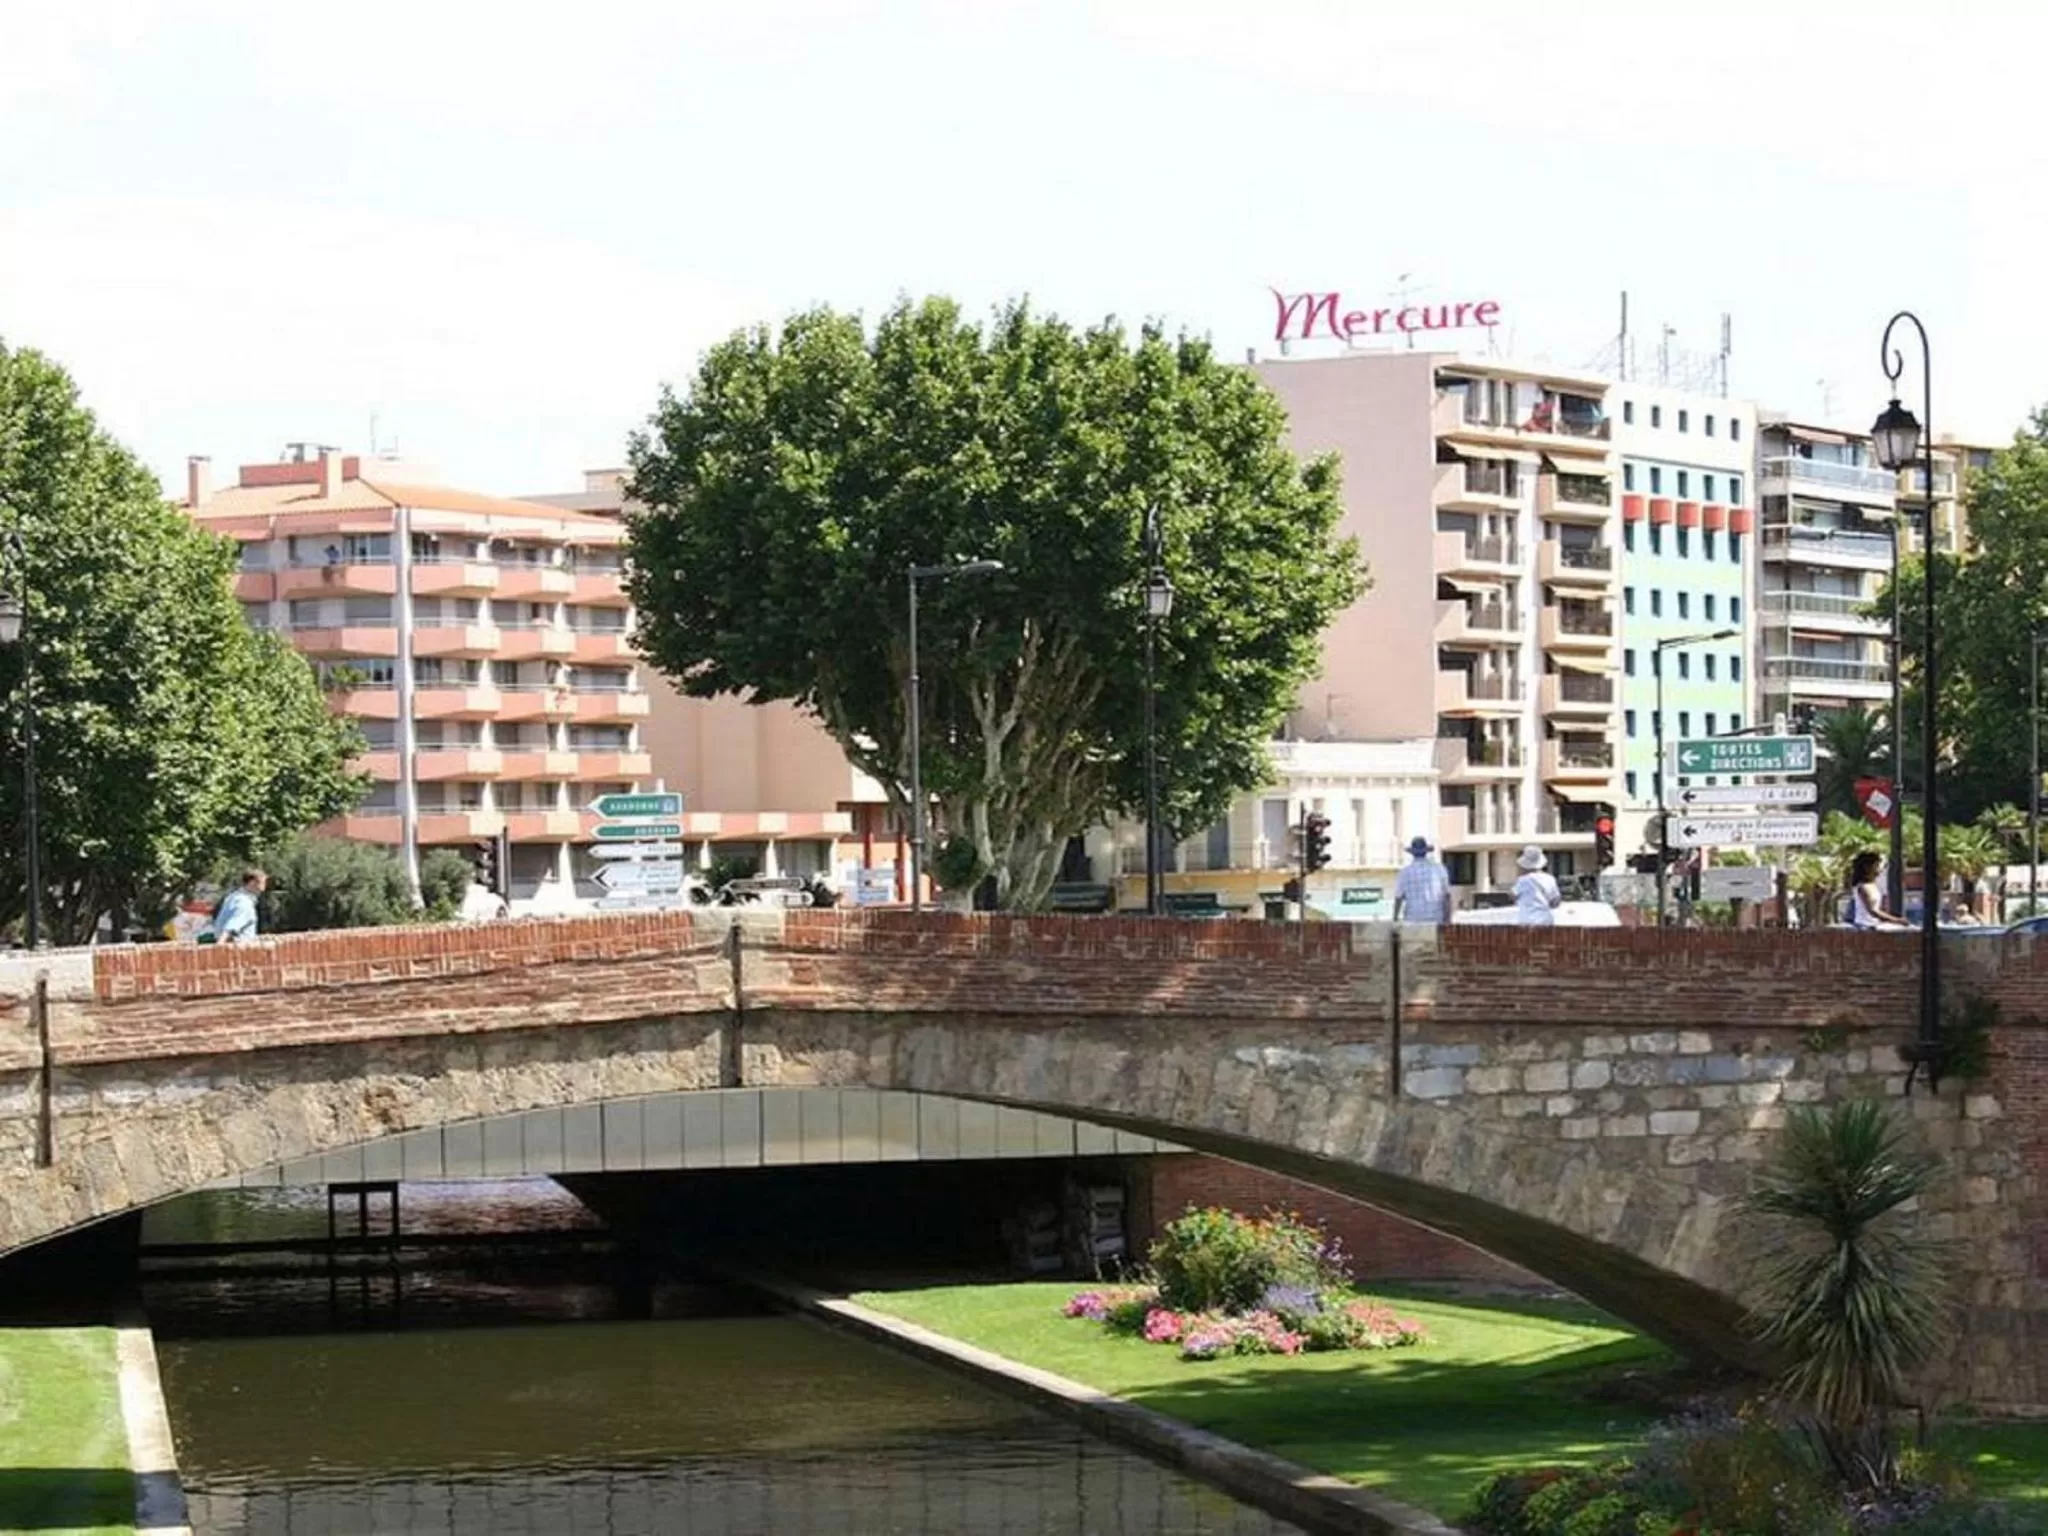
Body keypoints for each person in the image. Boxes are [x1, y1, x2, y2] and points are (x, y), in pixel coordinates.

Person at [1392, 836, 1450, 923]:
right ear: (1426, 852)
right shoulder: (1439, 869)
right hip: (1436, 919)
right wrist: (1447, 919)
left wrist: (1395, 918)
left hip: (1412, 919)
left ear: (1412, 853)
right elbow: (1446, 897)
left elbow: (1398, 898)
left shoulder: (1404, 873)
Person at [1846, 851, 1909, 929]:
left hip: (1874, 923)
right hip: (1865, 925)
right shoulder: (1862, 887)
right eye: (1876, 866)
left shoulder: (1873, 885)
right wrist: (1897, 920)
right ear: (1867, 867)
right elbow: (1873, 911)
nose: (1879, 869)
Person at [209, 868, 268, 944]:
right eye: (262, 883)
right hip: (238, 949)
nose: (263, 888)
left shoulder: (233, 897)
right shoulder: (244, 903)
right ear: (252, 883)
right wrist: (219, 945)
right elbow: (231, 927)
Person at [1512, 846, 1562, 926]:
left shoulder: (1523, 880)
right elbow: (1556, 901)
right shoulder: (1550, 879)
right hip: (1545, 919)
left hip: (1527, 919)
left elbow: (1513, 896)